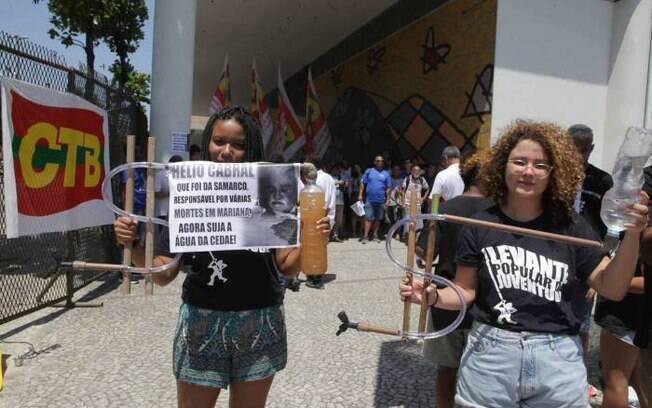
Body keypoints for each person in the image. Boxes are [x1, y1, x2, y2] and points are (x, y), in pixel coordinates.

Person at [400, 120, 649, 407]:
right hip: (490, 357)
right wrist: (431, 296)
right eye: (519, 161)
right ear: (503, 166)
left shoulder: (572, 227)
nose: (529, 171)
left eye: (540, 165)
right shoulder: (479, 225)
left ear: (553, 173)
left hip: (557, 362)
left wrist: (632, 234)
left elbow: (613, 288)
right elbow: (464, 292)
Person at [113, 106, 330, 408]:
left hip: (260, 323)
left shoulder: (271, 191)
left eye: (238, 144)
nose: (226, 151)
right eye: (219, 141)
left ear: (250, 148)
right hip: (202, 326)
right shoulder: (188, 194)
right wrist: (134, 245)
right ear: (207, 145)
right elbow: (163, 274)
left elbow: (287, 268)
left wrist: (311, 238)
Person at [417, 153, 492, 408]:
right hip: (486, 302)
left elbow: (423, 250)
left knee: (446, 369)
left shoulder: (446, 209)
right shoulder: (498, 213)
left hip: (445, 298)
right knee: (482, 372)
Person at [567, 124, 613, 396]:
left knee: (582, 321)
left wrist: (602, 265)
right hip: (556, 254)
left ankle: (577, 376)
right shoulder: (553, 173)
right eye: (574, 148)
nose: (579, 155)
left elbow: (610, 229)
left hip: (588, 258)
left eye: (584, 149)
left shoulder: (601, 181)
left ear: (592, 149)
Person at [358, 155, 391, 243]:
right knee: (368, 218)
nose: (380, 162)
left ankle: (375, 235)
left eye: (382, 161)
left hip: (381, 200)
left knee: (378, 218)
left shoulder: (386, 173)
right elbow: (362, 183)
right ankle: (365, 236)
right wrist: (360, 195)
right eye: (378, 161)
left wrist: (388, 200)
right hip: (369, 199)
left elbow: (388, 188)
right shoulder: (369, 171)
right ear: (375, 162)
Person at [387, 164, 404, 239]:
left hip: (398, 201)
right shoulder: (389, 179)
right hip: (390, 201)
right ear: (392, 171)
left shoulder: (402, 180)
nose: (396, 171)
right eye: (394, 170)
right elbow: (387, 189)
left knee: (398, 218)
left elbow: (403, 191)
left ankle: (398, 233)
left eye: (397, 170)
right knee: (390, 218)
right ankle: (391, 232)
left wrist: (402, 201)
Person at [349, 164, 364, 238]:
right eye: (355, 169)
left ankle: (361, 231)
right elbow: (350, 188)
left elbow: (363, 185)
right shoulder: (352, 178)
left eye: (358, 168)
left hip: (359, 195)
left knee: (361, 214)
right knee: (354, 215)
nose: (356, 170)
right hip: (353, 195)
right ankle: (354, 231)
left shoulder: (362, 177)